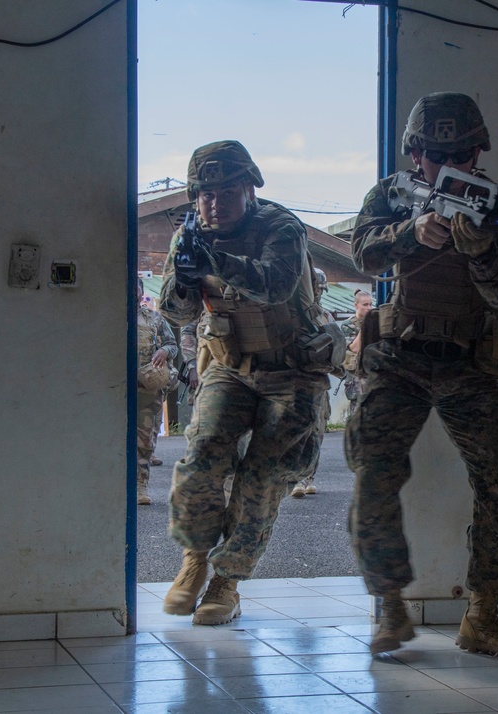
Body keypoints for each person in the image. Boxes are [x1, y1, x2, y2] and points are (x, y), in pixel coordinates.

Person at [344, 92, 498, 660]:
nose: (447, 164)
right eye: (434, 153)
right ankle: (389, 606)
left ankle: (483, 613)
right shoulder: (392, 194)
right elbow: (362, 254)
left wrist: (479, 250)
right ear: (415, 152)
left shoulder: (497, 208)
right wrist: (412, 232)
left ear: (477, 150)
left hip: (465, 360)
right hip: (398, 355)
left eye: (458, 153)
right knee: (372, 464)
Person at [159, 140, 338, 625]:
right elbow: (176, 312)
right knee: (200, 457)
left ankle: (227, 581)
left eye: (226, 191)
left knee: (262, 477)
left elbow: (274, 284)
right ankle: (195, 560)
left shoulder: (280, 227)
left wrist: (213, 261)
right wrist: (184, 276)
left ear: (250, 188)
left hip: (293, 369)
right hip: (229, 366)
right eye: (204, 194)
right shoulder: (190, 238)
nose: (214, 203)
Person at [291, 268, 336, 499]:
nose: (317, 292)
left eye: (320, 288)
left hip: (318, 383)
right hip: (294, 383)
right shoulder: (290, 313)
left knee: (316, 432)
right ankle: (297, 478)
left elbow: (338, 354)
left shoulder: (325, 316)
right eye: (315, 287)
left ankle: (309, 476)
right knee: (296, 430)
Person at [137, 278, 178, 505]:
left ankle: (140, 485)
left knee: (144, 440)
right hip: (117, 389)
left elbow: (173, 344)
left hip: (147, 389)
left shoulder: (154, 318)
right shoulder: (111, 317)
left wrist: (163, 350)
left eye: (137, 287)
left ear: (141, 292)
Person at [339, 289, 373, 420]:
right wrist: (365, 326)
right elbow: (354, 348)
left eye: (370, 304)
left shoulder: (374, 323)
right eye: (365, 305)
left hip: (371, 373)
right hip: (356, 376)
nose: (369, 308)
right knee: (357, 416)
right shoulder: (348, 325)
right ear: (356, 305)